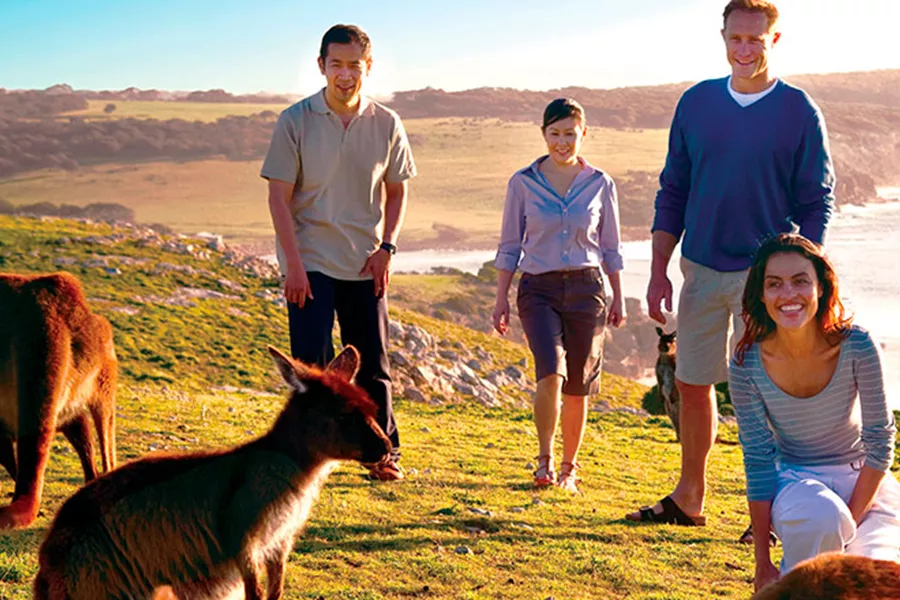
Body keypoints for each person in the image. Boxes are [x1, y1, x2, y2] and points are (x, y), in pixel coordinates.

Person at [629, 0, 835, 529]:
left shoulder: (798, 110)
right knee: (695, 385)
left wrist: (800, 278)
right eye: (735, 39)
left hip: (768, 280)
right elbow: (672, 190)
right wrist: (657, 268)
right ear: (722, 36)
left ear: (775, 41)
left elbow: (817, 200)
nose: (743, 51)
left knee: (767, 393)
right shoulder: (696, 104)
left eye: (755, 41)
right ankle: (689, 498)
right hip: (699, 269)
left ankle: (771, 508)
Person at [260, 24, 416, 481]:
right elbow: (278, 198)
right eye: (336, 65)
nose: (345, 75)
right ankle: (304, 457)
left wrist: (387, 248)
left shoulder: (387, 123)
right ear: (321, 66)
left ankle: (383, 454)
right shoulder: (295, 120)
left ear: (368, 67)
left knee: (374, 362)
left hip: (366, 260)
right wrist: (293, 265)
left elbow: (397, 192)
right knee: (310, 367)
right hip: (309, 259)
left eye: (354, 66)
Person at [728, 233, 900, 593]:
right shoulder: (747, 364)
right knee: (821, 521)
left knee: (881, 574)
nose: (788, 294)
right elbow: (758, 460)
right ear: (760, 294)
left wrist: (851, 524)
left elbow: (881, 443)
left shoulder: (858, 345)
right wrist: (763, 563)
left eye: (801, 281)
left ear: (821, 286)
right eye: (774, 284)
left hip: (866, 482)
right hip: (796, 482)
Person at [492, 98, 625, 493]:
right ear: (544, 134)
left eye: (570, 134)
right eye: (555, 133)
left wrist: (618, 295)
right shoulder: (522, 182)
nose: (563, 142)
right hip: (538, 289)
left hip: (588, 289)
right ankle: (545, 460)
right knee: (550, 372)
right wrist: (500, 298)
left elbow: (611, 246)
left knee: (578, 385)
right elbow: (509, 245)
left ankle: (570, 467)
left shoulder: (601, 184)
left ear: (583, 134)